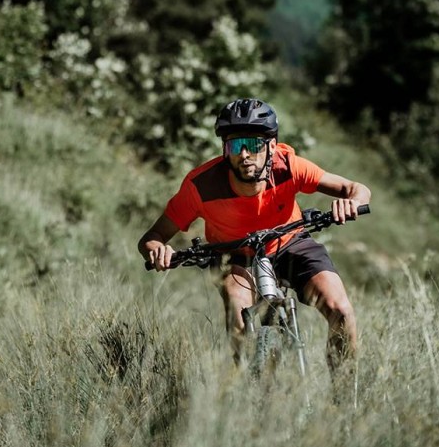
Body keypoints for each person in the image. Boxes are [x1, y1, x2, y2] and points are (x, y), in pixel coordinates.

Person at [138, 97, 371, 372]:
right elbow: (153, 236)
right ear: (225, 148)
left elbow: (356, 189)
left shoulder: (290, 167)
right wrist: (157, 249)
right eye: (236, 145)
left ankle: (344, 397)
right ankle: (251, 389)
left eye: (254, 144)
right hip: (233, 254)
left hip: (290, 242)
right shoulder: (200, 186)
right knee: (238, 308)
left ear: (271, 145)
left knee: (340, 310)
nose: (244, 154)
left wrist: (351, 202)